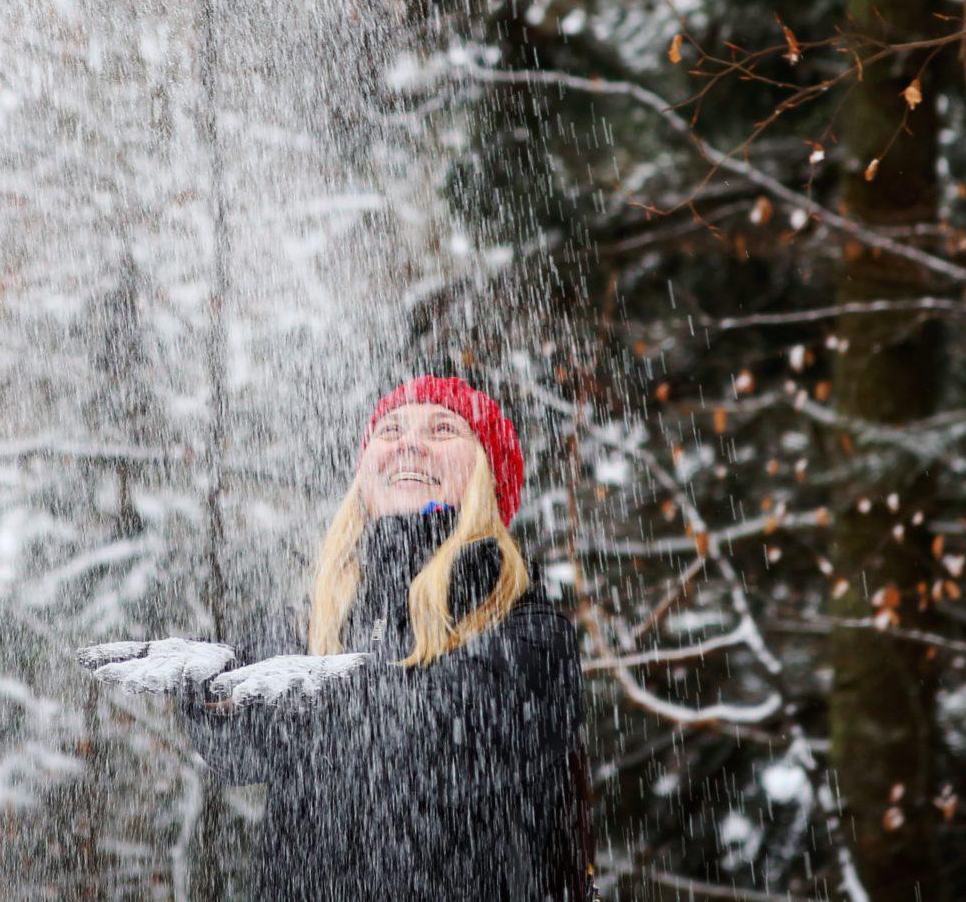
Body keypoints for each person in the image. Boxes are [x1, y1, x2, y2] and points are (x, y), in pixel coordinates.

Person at [79, 375, 587, 902]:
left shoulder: (531, 633)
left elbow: (442, 738)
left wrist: (324, 690)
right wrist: (211, 692)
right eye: (390, 429)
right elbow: (242, 754)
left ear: (490, 478)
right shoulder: (308, 626)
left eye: (443, 428)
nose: (409, 443)